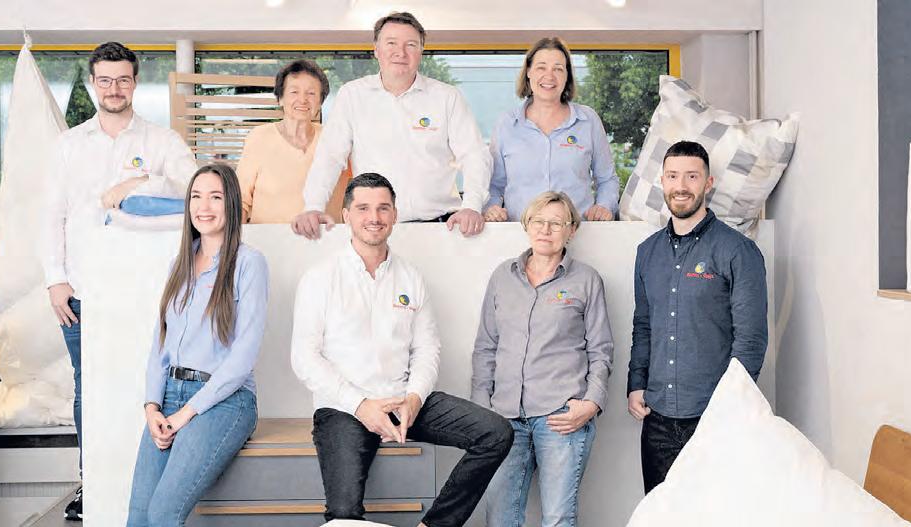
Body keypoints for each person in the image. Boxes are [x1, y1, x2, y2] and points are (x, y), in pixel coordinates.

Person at [291, 173, 513, 527]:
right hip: (343, 408)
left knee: (496, 433)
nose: (374, 217)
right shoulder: (321, 277)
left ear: (394, 215)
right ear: (346, 215)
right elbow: (304, 359)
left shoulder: (410, 277)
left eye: (383, 208)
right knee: (344, 515)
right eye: (363, 208)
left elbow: (427, 348)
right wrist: (361, 406)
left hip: (403, 400)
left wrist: (413, 398)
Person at [41, 41, 197, 521]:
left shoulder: (161, 141)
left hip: (147, 294)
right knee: (90, 388)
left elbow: (195, 188)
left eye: (123, 79)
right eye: (105, 80)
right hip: (82, 292)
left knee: (147, 386)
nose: (114, 88)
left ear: (135, 82)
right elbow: (51, 216)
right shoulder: (68, 146)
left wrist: (139, 184)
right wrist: (55, 280)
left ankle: (152, 483)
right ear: (93, 83)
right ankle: (92, 484)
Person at [126, 164, 268, 526]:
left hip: (225, 401)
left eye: (215, 197)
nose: (204, 206)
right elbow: (160, 344)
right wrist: (152, 407)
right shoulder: (180, 263)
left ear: (231, 203)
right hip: (169, 397)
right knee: (138, 517)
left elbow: (243, 356)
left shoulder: (249, 263)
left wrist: (186, 413)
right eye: (196, 196)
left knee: (162, 513)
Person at [627, 140, 768, 493]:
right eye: (673, 176)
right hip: (657, 420)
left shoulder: (737, 250)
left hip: (714, 416)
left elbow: (750, 339)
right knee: (660, 513)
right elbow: (643, 326)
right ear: (662, 181)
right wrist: (636, 382)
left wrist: (731, 404)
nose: (681, 185)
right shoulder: (647, 253)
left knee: (714, 512)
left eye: (692, 176)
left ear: (708, 183)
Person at [473, 191, 613, 527]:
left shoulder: (586, 280)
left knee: (558, 519)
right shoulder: (502, 277)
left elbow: (601, 348)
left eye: (556, 223)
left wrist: (591, 403)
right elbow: (486, 346)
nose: (545, 229)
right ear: (526, 225)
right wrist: (481, 409)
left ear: (571, 230)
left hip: (561, 417)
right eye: (538, 221)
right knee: (499, 519)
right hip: (504, 418)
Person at [291, 12, 491, 239]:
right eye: (391, 43)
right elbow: (330, 157)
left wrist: (472, 205)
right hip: (374, 230)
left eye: (411, 45)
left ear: (421, 51)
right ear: (376, 49)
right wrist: (313, 206)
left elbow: (474, 154)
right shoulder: (352, 95)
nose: (400, 52)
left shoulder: (447, 97)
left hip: (441, 227)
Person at [484, 38, 617, 224]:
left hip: (578, 232)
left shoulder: (588, 121)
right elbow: (493, 185)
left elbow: (607, 179)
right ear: (528, 72)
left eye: (558, 69)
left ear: (567, 76)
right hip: (519, 233)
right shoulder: (506, 124)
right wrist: (492, 208)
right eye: (541, 67)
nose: (549, 76)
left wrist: (604, 206)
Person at [235, 59, 349, 223]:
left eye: (311, 93)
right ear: (280, 98)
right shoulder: (259, 137)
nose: (302, 100)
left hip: (325, 237)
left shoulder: (335, 138)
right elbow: (240, 200)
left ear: (320, 102)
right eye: (294, 92)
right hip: (268, 237)